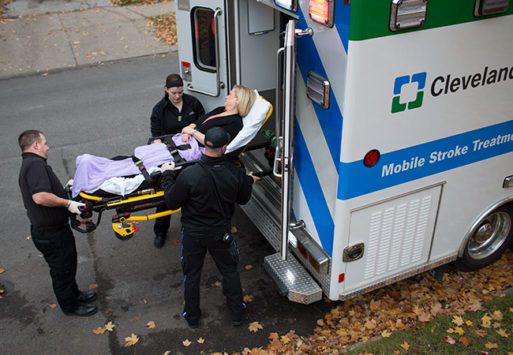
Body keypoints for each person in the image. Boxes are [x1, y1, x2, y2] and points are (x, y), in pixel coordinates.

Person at [161, 127, 255, 328]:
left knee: (192, 274)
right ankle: (237, 313)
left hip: (193, 234)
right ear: (224, 147)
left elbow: (171, 202)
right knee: (229, 270)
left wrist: (167, 175)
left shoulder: (189, 174)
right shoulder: (234, 173)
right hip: (220, 232)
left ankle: (192, 317)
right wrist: (248, 181)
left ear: (206, 145)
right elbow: (244, 199)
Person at [18, 130, 98, 317]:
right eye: (44, 143)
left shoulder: (31, 164)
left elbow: (45, 192)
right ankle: (70, 306)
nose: (47, 147)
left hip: (54, 231)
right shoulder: (34, 165)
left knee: (68, 265)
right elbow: (40, 196)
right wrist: (67, 203)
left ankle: (75, 294)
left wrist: (64, 192)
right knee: (61, 270)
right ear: (35, 145)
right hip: (50, 234)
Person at [150, 73, 205, 248]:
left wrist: (191, 129)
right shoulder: (159, 110)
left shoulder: (192, 103)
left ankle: (195, 228)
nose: (177, 96)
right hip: (171, 154)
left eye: (180, 92)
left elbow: (202, 120)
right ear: (166, 90)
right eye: (173, 92)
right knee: (166, 194)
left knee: (195, 191)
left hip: (191, 153)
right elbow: (156, 136)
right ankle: (160, 231)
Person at [180, 84, 256, 157]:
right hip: (187, 140)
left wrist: (192, 132)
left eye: (230, 95)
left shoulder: (235, 123)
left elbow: (213, 143)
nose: (226, 97)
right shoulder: (221, 109)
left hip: (197, 151)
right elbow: (199, 121)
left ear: (238, 101)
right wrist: (188, 131)